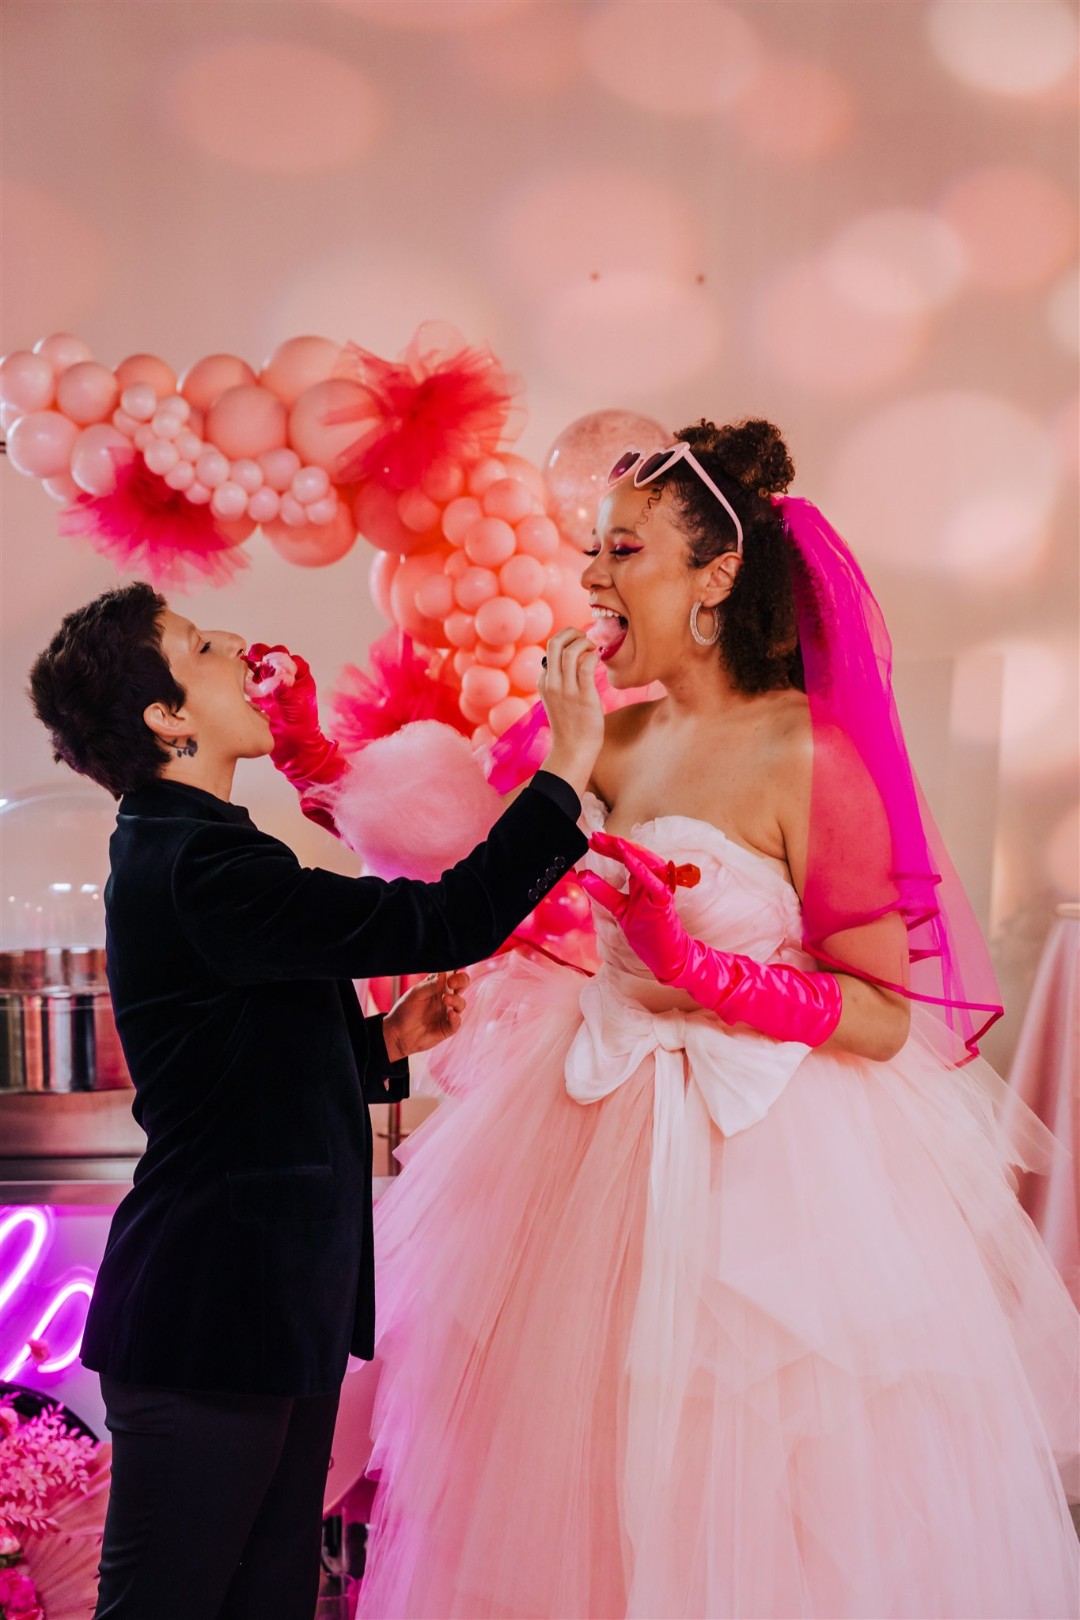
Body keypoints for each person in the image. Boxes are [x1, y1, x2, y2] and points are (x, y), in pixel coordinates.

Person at [315, 420, 1077, 1619]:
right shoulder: (607, 738)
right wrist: (468, 765)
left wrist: (713, 975)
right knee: (569, 1460)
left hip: (777, 1158)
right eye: (592, 550)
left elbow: (881, 1013)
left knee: (763, 1463)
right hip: (586, 1138)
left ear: (717, 574)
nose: (594, 577)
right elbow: (472, 895)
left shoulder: (809, 750)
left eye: (624, 549)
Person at [27, 582, 602, 1620]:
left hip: (270, 1314)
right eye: (201, 646)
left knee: (269, 1601)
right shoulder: (197, 860)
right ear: (168, 717)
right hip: (210, 1316)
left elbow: (237, 1069)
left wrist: (385, 1045)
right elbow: (447, 918)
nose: (237, 645)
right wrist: (566, 769)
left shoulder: (193, 851)